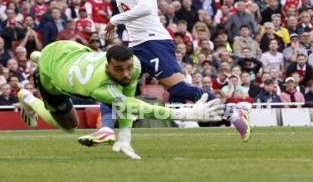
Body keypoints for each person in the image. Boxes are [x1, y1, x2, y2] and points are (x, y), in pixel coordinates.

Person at [83, 0, 251, 145]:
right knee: (110, 83)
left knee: (179, 89)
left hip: (154, 42)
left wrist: (115, 19)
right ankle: (107, 129)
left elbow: (146, 7)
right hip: (136, 45)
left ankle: (233, 113)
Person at [18, 41, 224, 159]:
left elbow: (128, 97)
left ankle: (38, 54)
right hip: (51, 71)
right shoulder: (99, 86)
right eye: (118, 69)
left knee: (124, 89)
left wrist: (125, 136)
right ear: (108, 67)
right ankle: (27, 98)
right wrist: (185, 113)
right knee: (70, 125)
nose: (126, 74)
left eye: (128, 68)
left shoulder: (132, 63)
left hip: (70, 50)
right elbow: (134, 105)